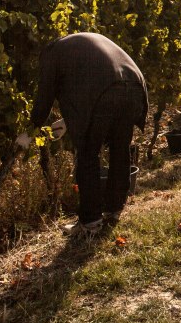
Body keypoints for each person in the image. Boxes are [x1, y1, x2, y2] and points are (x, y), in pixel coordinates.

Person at [23, 33, 148, 236]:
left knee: (88, 154)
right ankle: (113, 209)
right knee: (120, 148)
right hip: (134, 88)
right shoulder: (79, 43)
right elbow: (91, 83)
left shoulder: (51, 53)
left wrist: (31, 130)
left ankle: (90, 222)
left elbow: (45, 95)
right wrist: (67, 121)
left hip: (105, 94)